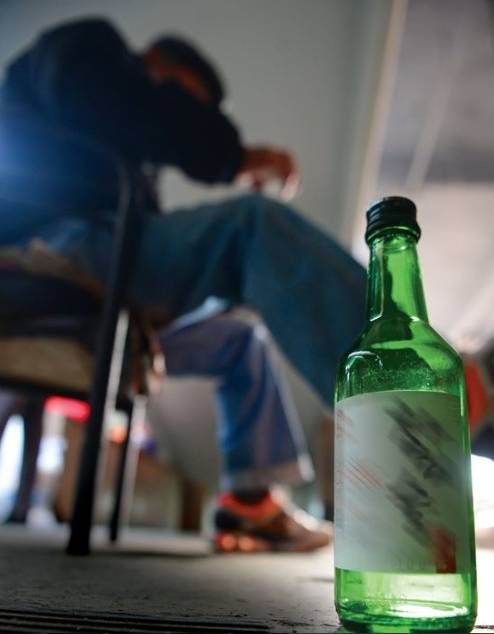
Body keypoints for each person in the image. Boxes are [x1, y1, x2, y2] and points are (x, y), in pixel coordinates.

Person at [0, 18, 366, 551]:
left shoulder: (126, 163)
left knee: (241, 340)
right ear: (156, 67)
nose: (192, 120)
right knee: (251, 227)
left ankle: (250, 505)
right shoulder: (90, 48)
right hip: (52, 255)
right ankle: (400, 387)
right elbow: (124, 108)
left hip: (108, 305)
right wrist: (234, 156)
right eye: (189, 103)